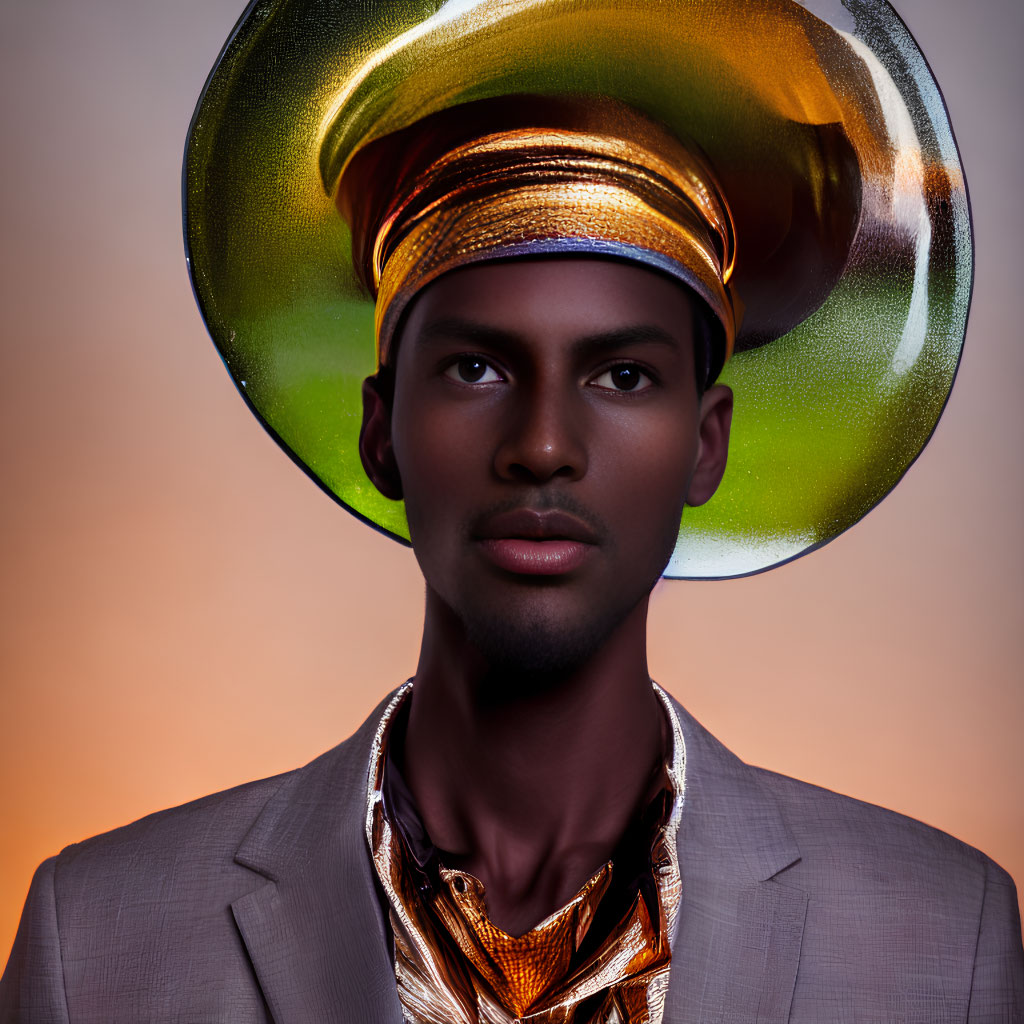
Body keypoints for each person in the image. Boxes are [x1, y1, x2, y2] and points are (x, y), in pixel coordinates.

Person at [2, 1, 1022, 1021]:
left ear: (704, 444)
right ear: (381, 432)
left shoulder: (941, 935)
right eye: (476, 366)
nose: (542, 445)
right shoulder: (91, 943)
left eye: (621, 376)